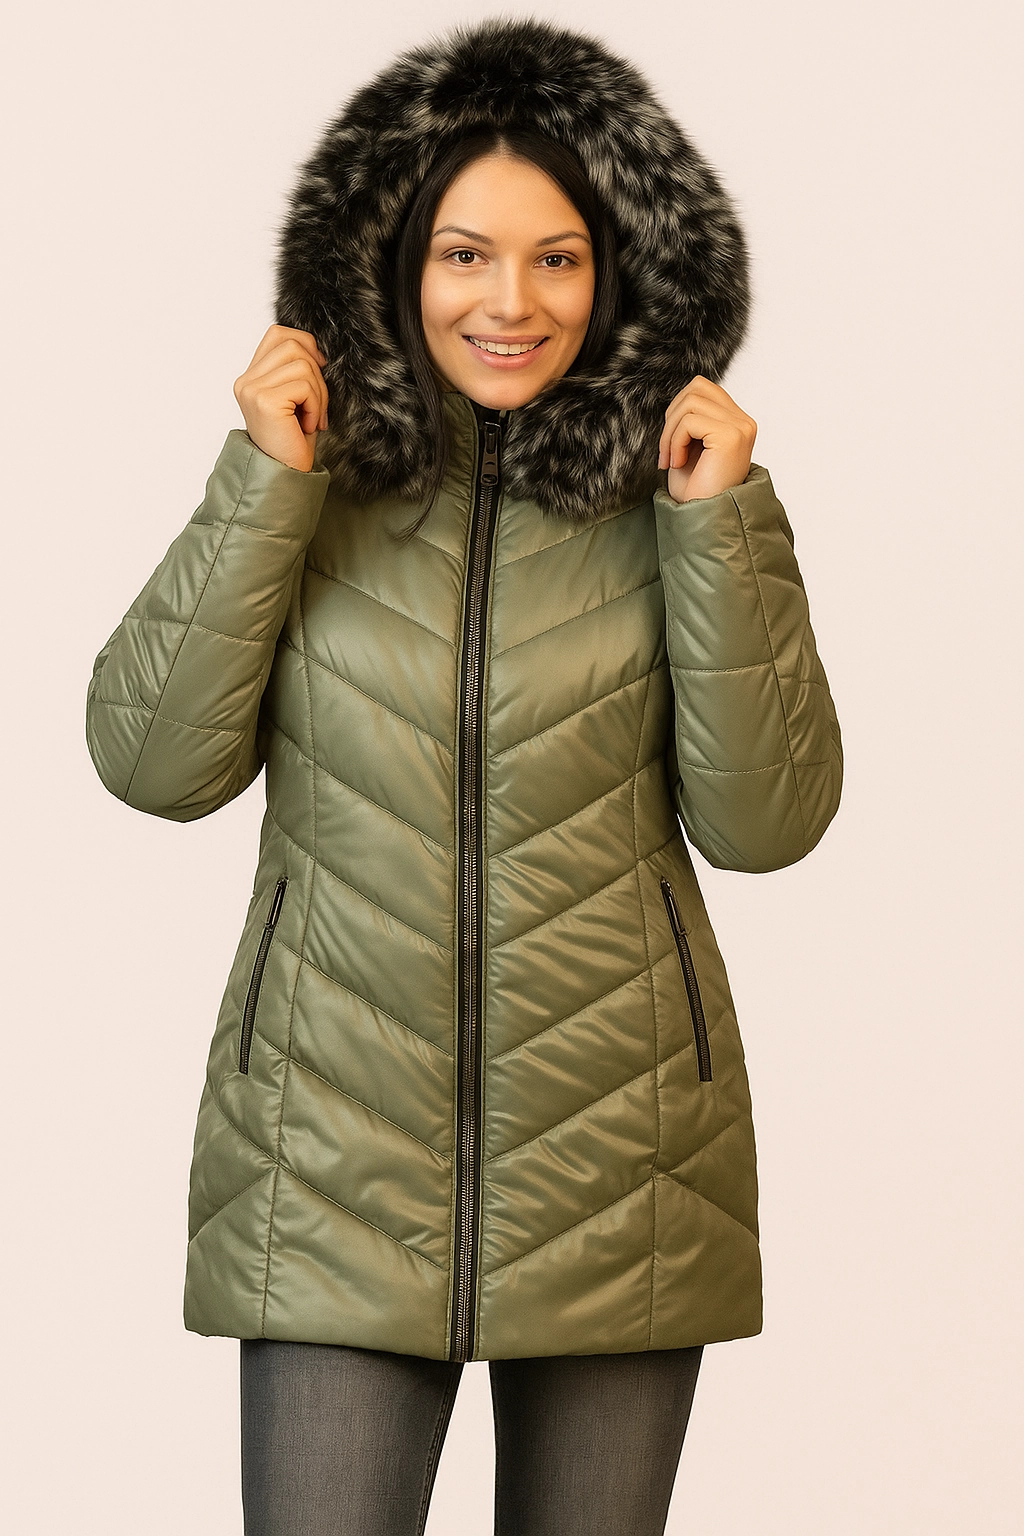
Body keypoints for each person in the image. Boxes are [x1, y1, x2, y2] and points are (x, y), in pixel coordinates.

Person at [84, 16, 843, 1536]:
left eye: (558, 259)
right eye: (465, 255)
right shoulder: (306, 484)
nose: (512, 302)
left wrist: (720, 526)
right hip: (328, 1158)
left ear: (620, 270)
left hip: (625, 1161)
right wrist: (265, 485)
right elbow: (153, 765)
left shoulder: (679, 498)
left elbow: (765, 824)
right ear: (390, 262)